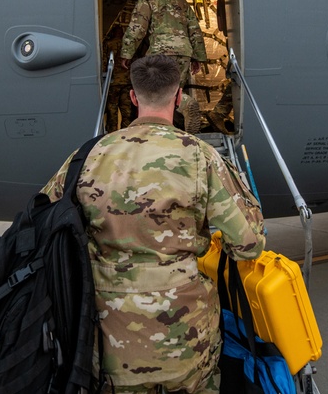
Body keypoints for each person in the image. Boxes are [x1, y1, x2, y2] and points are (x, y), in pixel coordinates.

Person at [42, 55, 266, 394]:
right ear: (179, 98)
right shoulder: (200, 156)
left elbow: (42, 219)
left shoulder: (87, 156)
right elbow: (249, 245)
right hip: (186, 346)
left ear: (133, 97)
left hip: (107, 349)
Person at [120, 0, 208, 132]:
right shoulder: (181, 1)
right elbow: (195, 29)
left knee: (158, 93)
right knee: (175, 91)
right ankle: (183, 114)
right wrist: (198, 57)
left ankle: (170, 122)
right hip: (184, 51)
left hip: (161, 51)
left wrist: (127, 52)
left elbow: (138, 27)